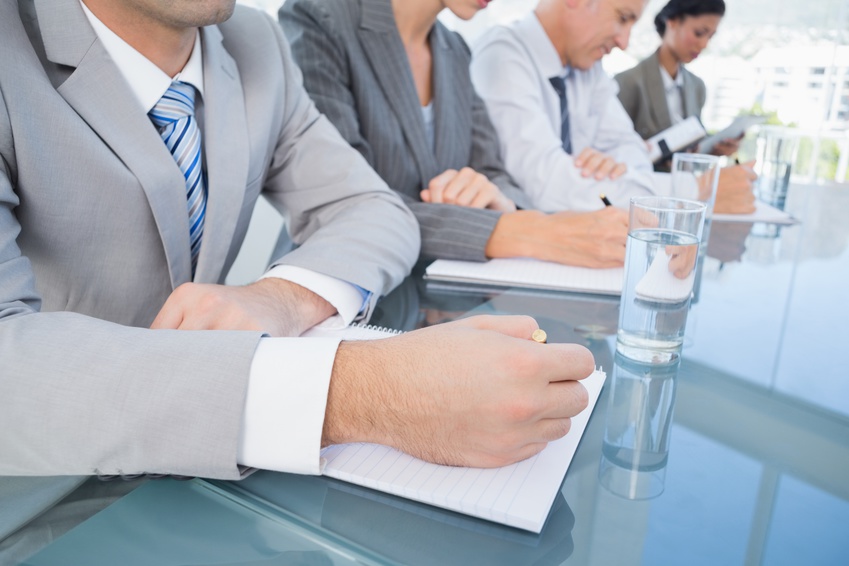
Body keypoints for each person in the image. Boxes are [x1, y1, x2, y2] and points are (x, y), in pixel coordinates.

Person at [0, 0, 595, 558]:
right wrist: (357, 395)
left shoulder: (250, 40)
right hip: (42, 504)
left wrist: (283, 298)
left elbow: (374, 208)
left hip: (208, 495)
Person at [279, 0, 630, 269]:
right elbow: (346, 203)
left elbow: (492, 170)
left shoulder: (455, 50)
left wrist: (500, 201)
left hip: (440, 295)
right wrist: (522, 230)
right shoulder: (319, 18)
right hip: (340, 285)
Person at [470, 0, 756, 215]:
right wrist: (694, 191)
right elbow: (547, 186)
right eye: (622, 18)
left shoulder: (588, 69)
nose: (624, 41)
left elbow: (633, 150)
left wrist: (612, 169)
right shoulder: (502, 56)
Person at [615, 0, 739, 157]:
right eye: (699, 33)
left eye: (710, 36)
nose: (704, 44)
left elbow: (691, 146)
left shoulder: (697, 86)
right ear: (672, 22)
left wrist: (714, 150)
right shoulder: (628, 83)